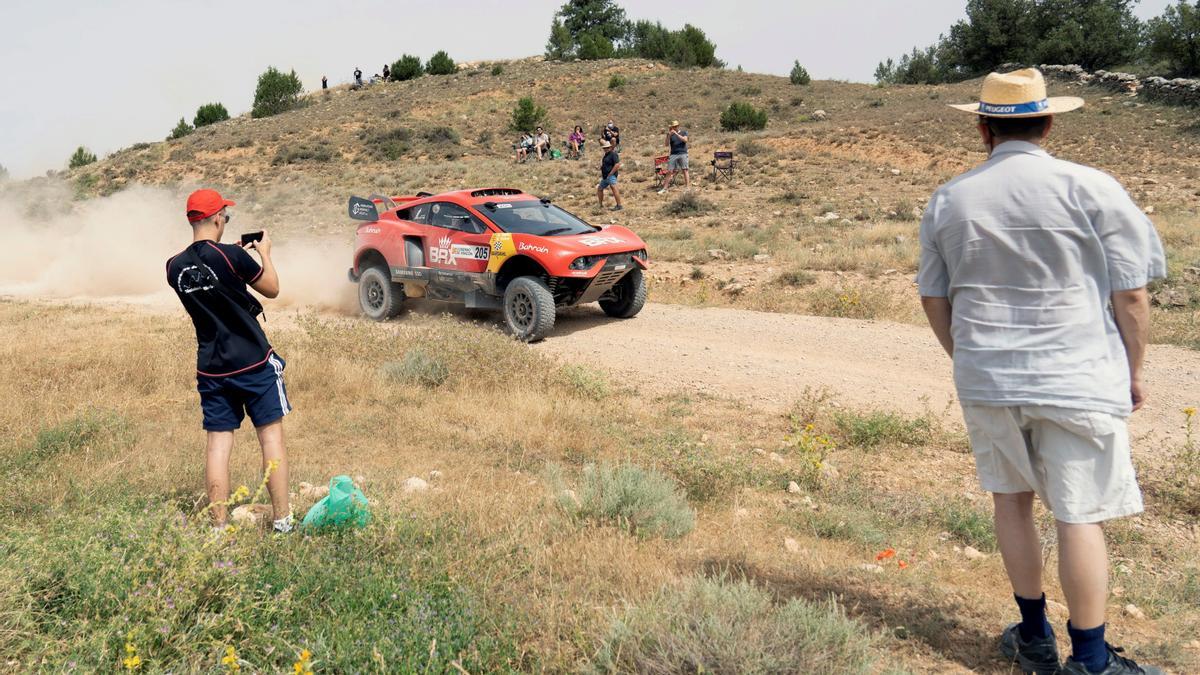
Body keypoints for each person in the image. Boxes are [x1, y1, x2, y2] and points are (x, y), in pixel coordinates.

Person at [919, 69, 1166, 675]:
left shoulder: (951, 198)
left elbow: (934, 296)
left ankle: (1033, 639)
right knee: (1078, 513)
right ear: (1050, 120)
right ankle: (1090, 659)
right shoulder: (1092, 188)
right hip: (1077, 373)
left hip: (989, 376)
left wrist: (969, 358)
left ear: (982, 128)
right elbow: (1131, 297)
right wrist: (1132, 371)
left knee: (1012, 502)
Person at [166, 189, 294, 534]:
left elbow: (209, 277)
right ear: (218, 218)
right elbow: (272, 288)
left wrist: (231, 256)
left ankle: (218, 529)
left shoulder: (173, 267)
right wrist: (264, 254)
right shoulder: (233, 257)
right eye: (226, 215)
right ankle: (283, 523)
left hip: (212, 367)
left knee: (218, 446)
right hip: (253, 362)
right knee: (271, 440)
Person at [658, 120, 689, 194]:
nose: (674, 128)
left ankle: (687, 188)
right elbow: (666, 144)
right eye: (673, 127)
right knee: (669, 171)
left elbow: (685, 140)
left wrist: (676, 134)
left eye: (675, 126)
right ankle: (665, 188)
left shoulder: (683, 132)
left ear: (678, 126)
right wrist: (669, 135)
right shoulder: (669, 134)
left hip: (682, 153)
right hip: (673, 154)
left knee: (685, 170)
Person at [596, 139, 622, 211]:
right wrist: (600, 167)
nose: (606, 149)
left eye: (607, 148)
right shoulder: (606, 155)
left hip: (610, 176)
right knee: (600, 189)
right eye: (604, 148)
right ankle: (600, 204)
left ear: (610, 147)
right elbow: (606, 164)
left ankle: (619, 205)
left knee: (614, 189)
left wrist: (611, 173)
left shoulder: (613, 154)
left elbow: (617, 164)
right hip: (605, 176)